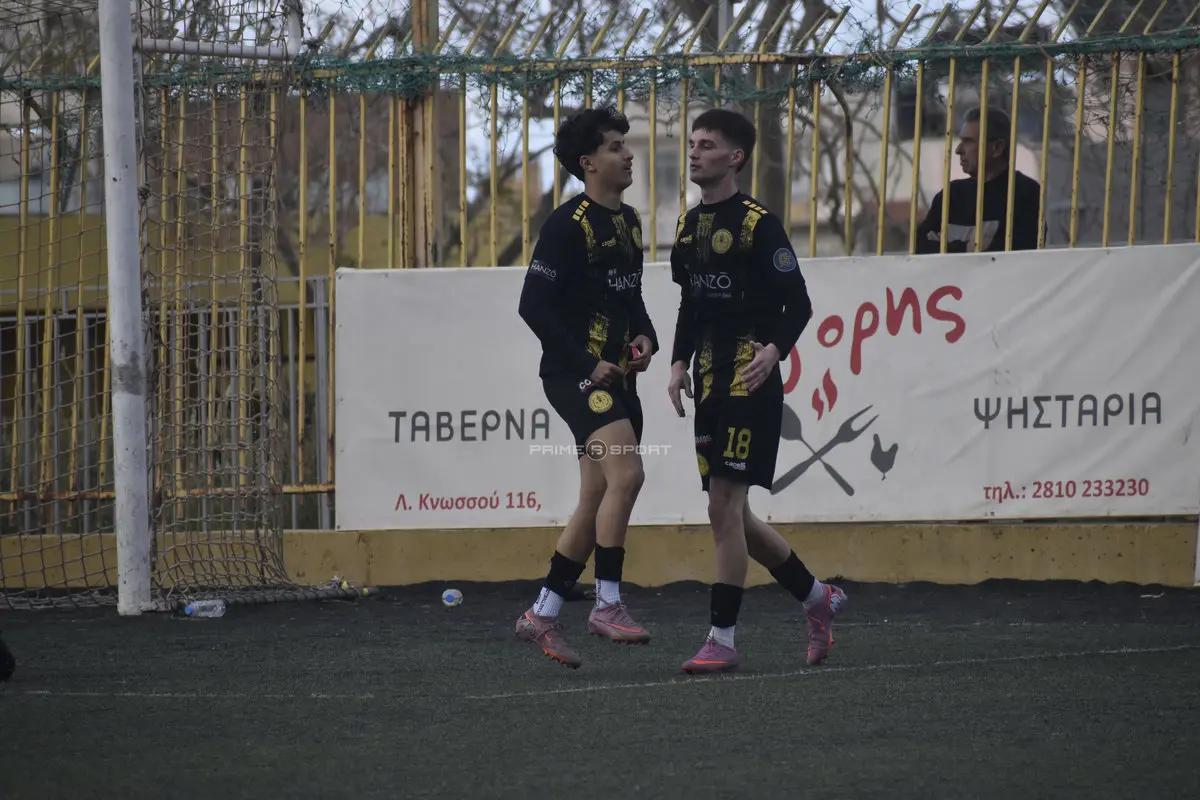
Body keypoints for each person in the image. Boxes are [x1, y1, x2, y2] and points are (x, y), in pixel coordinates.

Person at [667, 108, 846, 674]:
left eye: (707, 144)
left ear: (736, 157)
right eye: (692, 143)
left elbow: (800, 303)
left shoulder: (758, 223)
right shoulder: (687, 226)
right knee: (734, 516)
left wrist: (774, 351)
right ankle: (817, 597)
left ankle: (721, 639)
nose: (694, 152)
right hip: (708, 383)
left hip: (750, 380)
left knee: (723, 506)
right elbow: (690, 303)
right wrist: (677, 362)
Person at [515, 106, 659, 669]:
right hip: (574, 374)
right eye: (615, 146)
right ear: (588, 163)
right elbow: (532, 306)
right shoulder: (565, 224)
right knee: (629, 474)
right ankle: (607, 603)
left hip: (617, 374)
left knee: (597, 495)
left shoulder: (629, 221)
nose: (628, 154)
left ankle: (542, 614)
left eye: (626, 144)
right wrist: (586, 362)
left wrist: (645, 336)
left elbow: (631, 294)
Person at [915, 106, 1043, 253]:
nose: (958, 150)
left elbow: (1017, 252)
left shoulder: (1025, 193)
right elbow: (918, 248)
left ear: (997, 148)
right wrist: (966, 248)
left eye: (968, 141)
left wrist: (944, 247)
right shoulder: (952, 195)